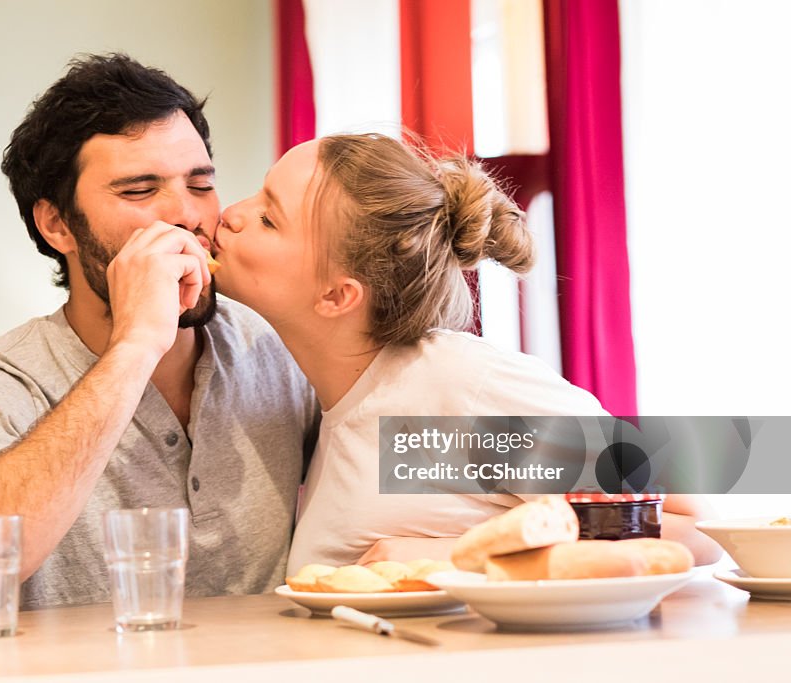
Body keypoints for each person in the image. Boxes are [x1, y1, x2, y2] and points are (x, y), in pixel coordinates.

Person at [0, 53, 317, 609]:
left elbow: (439, 454)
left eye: (200, 184)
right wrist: (135, 346)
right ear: (57, 224)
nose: (186, 215)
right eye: (138, 191)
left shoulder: (272, 343)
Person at [211, 133, 721, 570]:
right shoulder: (333, 400)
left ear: (337, 296)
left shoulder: (453, 389)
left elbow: (694, 528)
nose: (231, 213)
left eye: (268, 219)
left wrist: (454, 556)